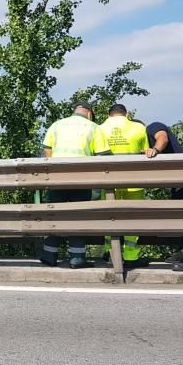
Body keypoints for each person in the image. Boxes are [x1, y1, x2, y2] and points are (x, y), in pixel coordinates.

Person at [39, 101, 111, 268]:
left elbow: (47, 150)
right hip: (81, 180)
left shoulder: (56, 125)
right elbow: (102, 157)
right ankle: (77, 259)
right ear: (89, 113)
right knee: (78, 216)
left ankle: (49, 255)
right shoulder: (94, 127)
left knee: (54, 215)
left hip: (56, 178)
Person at [144, 121, 183, 271]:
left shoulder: (152, 127)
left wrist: (154, 150)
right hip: (181, 177)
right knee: (181, 216)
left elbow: (163, 138)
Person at [99, 104, 148, 266]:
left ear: (109, 114)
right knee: (132, 217)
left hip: (107, 181)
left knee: (109, 216)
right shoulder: (139, 127)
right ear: (127, 114)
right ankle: (131, 257)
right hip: (134, 181)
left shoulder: (100, 129)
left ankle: (110, 253)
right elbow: (145, 152)